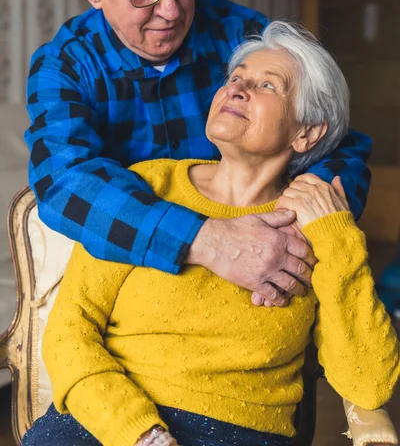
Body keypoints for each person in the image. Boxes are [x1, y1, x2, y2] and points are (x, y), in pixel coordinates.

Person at [23, 22, 399, 446]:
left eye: (266, 86)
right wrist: (140, 433)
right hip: (104, 422)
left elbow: (368, 383)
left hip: (242, 433)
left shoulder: (314, 228)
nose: (236, 90)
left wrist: (336, 233)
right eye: (235, 79)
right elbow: (70, 331)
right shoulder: (148, 187)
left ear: (307, 133)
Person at [24, 0, 372, 308]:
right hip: (141, 277)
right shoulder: (66, 64)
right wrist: (208, 240)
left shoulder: (241, 33)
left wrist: (294, 228)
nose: (170, 9)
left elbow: (340, 147)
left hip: (263, 265)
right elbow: (64, 182)